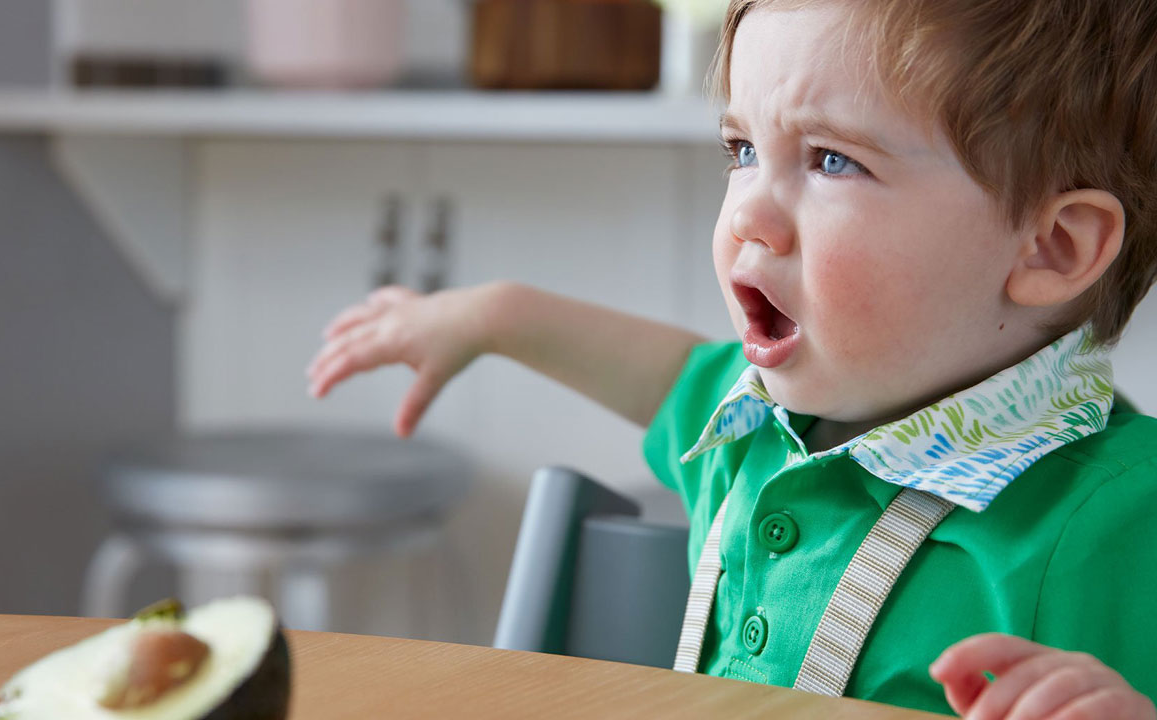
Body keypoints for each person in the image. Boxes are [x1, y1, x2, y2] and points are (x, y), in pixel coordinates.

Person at [307, 0, 1157, 716]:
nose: (749, 213)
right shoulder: (756, 426)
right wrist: (493, 316)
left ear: (1051, 247)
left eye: (833, 161)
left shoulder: (1125, 517)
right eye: (742, 151)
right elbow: (669, 374)